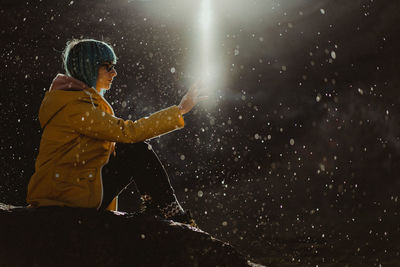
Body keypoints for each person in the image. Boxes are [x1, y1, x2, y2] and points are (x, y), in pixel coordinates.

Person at [26, 39, 204, 225]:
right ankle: (170, 211)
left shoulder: (73, 101)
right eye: (107, 66)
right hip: (69, 196)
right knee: (135, 149)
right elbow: (129, 132)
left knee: (131, 149)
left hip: (67, 190)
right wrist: (180, 110)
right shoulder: (75, 107)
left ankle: (159, 206)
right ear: (89, 67)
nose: (114, 72)